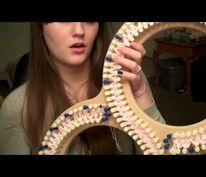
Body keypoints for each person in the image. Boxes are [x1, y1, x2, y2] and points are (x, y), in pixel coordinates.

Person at [0, 22, 165, 155]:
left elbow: (161, 148)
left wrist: (140, 96)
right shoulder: (17, 107)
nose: (79, 30)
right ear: (41, 28)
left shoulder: (128, 78)